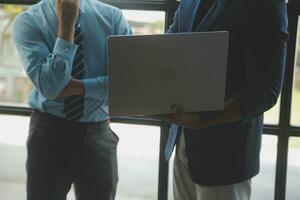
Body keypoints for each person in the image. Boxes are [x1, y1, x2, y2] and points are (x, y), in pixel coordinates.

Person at [160, 0, 289, 199]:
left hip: (227, 156)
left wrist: (207, 119)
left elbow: (266, 90)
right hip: (183, 145)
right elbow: (170, 50)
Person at [12, 0, 132, 199]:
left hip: (98, 133)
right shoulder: (27, 22)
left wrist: (79, 87)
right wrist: (66, 27)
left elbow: (128, 82)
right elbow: (51, 87)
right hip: (49, 133)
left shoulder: (112, 17)